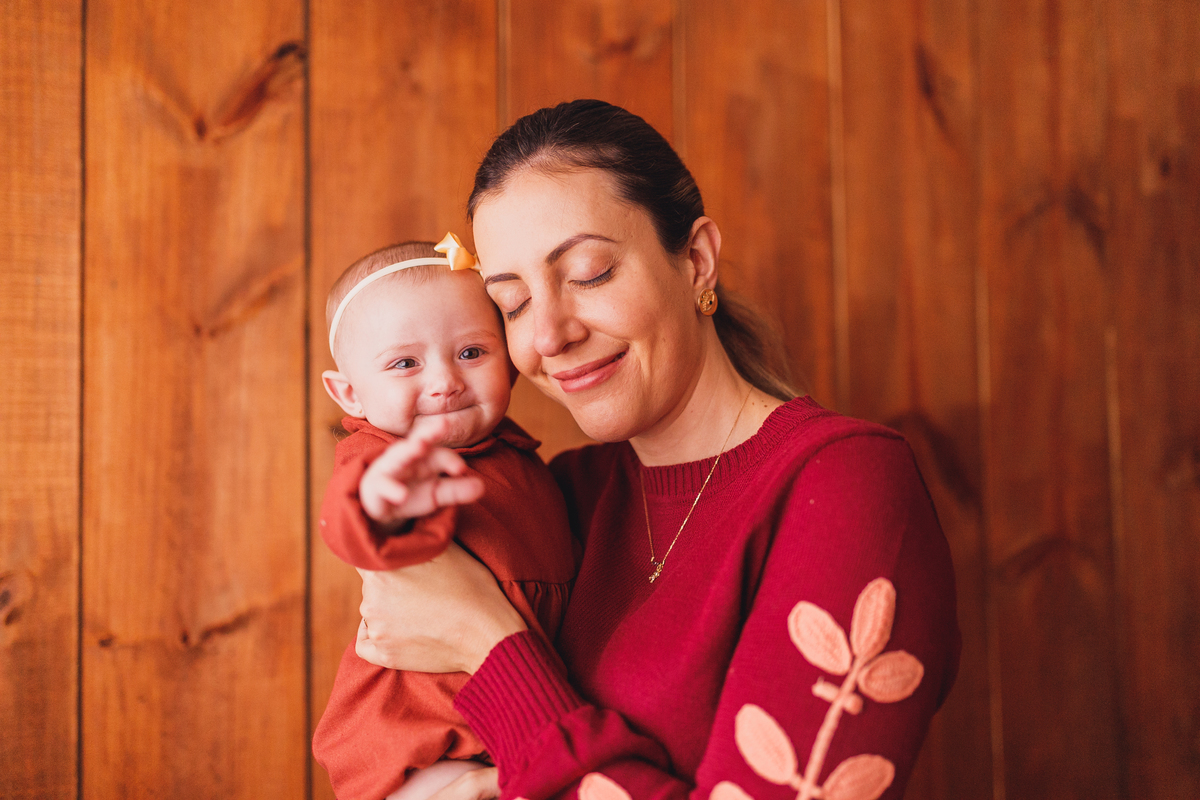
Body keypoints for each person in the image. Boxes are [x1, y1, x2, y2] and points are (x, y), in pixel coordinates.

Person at [347, 100, 961, 800]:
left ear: (696, 260)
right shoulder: (560, 495)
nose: (548, 335)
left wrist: (486, 646)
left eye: (589, 273)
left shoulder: (844, 482)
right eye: (512, 303)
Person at [312, 237, 577, 800]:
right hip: (420, 745)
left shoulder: (522, 461)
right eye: (405, 363)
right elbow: (348, 522)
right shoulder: (384, 458)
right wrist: (380, 504)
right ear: (350, 393)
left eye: (471, 353)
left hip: (509, 719)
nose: (445, 381)